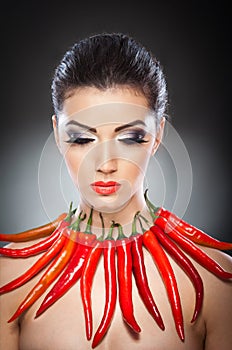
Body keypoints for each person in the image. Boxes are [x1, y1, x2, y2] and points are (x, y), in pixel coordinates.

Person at [0, 32, 231, 350]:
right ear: (57, 134)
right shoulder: (10, 278)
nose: (105, 163)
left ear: (158, 134)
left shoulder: (217, 282)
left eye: (130, 137)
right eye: (82, 138)